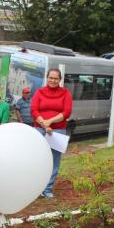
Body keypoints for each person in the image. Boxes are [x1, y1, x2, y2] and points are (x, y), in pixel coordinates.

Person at [31, 68, 73, 198]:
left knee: (54, 160)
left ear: (60, 80)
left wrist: (50, 122)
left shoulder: (66, 93)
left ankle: (47, 189)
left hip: (58, 131)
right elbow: (33, 110)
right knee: (37, 159)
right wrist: (44, 123)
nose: (53, 80)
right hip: (40, 128)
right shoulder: (39, 92)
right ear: (47, 78)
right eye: (51, 78)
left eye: (56, 78)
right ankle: (35, 187)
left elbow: (66, 112)